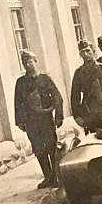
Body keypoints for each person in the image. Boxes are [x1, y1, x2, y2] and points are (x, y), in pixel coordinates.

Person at [15, 50, 63, 189]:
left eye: (30, 61)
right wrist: (21, 121)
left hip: (46, 119)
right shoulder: (21, 83)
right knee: (39, 149)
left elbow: (57, 97)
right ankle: (48, 177)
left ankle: (56, 175)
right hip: (31, 121)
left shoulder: (45, 79)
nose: (28, 65)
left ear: (36, 62)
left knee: (51, 147)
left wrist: (58, 116)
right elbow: (18, 103)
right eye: (25, 62)